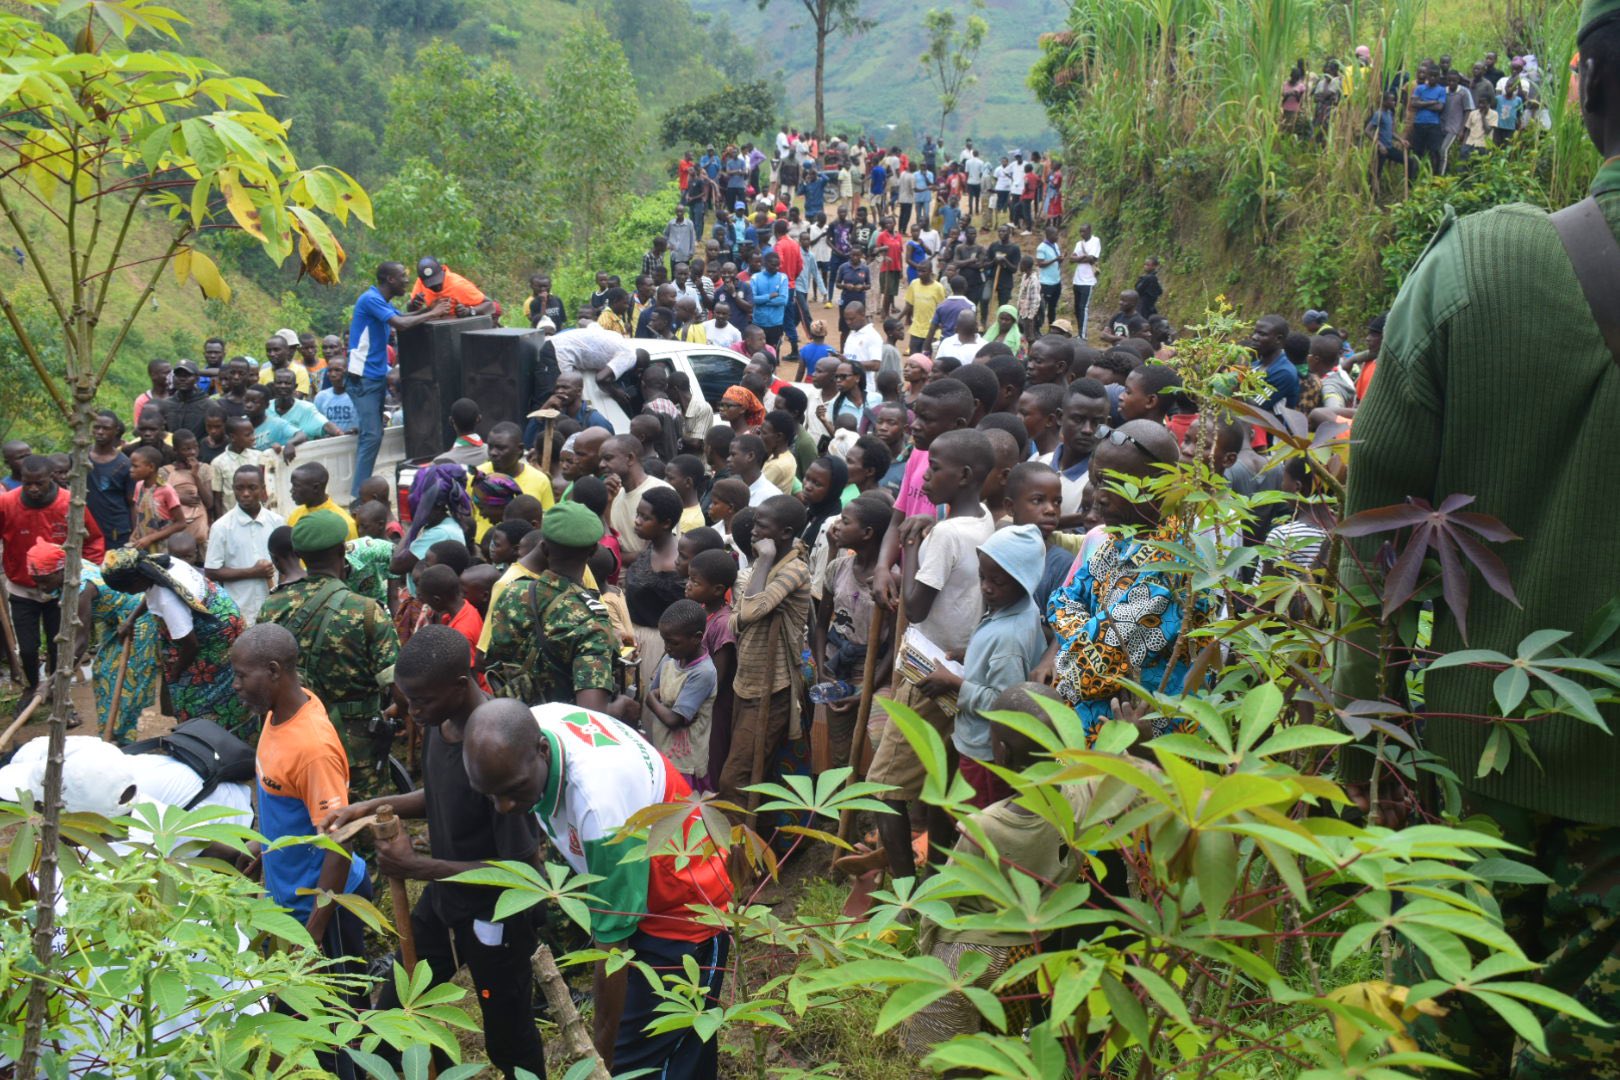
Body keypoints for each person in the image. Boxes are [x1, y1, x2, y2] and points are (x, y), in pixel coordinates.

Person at [1333, 8, 1620, 1067]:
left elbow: (1377, 520)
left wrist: (1366, 716)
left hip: (1468, 778)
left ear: (1581, 81)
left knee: (1438, 1048)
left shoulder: (1480, 259)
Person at [463, 697, 732, 1077]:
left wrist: (600, 1061)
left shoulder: (600, 805)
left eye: (512, 790)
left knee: (640, 1058)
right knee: (680, 1045)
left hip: (684, 903)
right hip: (639, 884)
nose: (504, 807)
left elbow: (612, 950)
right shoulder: (527, 730)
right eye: (491, 795)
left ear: (542, 751)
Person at [322, 626, 547, 1080]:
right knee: (398, 1006)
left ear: (459, 686)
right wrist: (369, 806)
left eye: (421, 701)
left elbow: (523, 875)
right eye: (408, 700)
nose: (413, 711)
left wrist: (418, 867)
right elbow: (443, 794)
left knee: (508, 1036)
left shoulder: (495, 753)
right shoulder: (441, 723)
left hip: (494, 922)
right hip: (444, 905)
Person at [866, 429, 997, 880]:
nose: (924, 475)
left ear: (963, 475)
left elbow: (915, 606)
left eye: (935, 467)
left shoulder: (943, 536)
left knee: (882, 788)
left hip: (931, 669)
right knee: (938, 782)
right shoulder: (983, 518)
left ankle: (905, 894)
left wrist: (909, 548)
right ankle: (937, 875)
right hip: (960, 664)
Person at [1038, 419, 1205, 742]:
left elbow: (1087, 671)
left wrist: (1079, 636)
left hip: (1141, 750)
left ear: (1157, 487)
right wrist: (1088, 633)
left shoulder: (1169, 565)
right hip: (1096, 736)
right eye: (1096, 481)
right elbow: (1059, 600)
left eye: (1112, 484)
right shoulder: (1118, 540)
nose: (1098, 497)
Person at [233, 623, 371, 999]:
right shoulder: (279, 711)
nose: (235, 685)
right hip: (291, 894)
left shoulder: (313, 749)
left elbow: (340, 845)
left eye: (242, 675)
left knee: (342, 1017)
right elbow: (284, 798)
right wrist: (266, 848)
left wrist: (314, 930)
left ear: (275, 671)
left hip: (327, 905)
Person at [258, 509, 400, 796]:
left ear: (298, 553)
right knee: (365, 821)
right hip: (358, 745)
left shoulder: (271, 608)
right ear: (341, 550)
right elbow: (399, 688)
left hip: (296, 738)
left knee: (308, 818)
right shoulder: (367, 611)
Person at [716, 494, 811, 816]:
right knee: (750, 773)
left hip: (773, 687)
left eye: (761, 525)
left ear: (784, 533)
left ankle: (739, 859)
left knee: (736, 779)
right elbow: (737, 619)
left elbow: (752, 608)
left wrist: (766, 561)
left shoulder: (794, 569)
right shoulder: (762, 566)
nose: (752, 531)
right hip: (747, 681)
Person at [481, 501, 622, 712]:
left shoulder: (512, 592)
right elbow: (591, 717)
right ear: (593, 551)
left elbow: (491, 660)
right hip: (557, 738)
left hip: (509, 722)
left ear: (544, 548)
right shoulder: (592, 623)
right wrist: (621, 709)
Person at [101, 545, 247, 734]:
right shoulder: (153, 564)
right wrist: (131, 620)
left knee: (198, 693)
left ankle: (208, 735)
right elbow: (150, 592)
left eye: (126, 589)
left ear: (136, 578)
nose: (127, 594)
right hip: (214, 616)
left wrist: (176, 672)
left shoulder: (167, 599)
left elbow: (191, 645)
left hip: (215, 634)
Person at [1, 455, 107, 712]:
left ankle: (58, 694)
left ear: (52, 478)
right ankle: (31, 686)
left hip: (62, 588)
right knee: (26, 648)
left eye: (39, 483)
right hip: (22, 587)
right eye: (28, 484)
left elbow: (93, 540)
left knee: (58, 644)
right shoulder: (6, 503)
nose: (34, 489)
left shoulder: (70, 504)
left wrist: (84, 573)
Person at [26, 540, 158, 742]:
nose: (40, 586)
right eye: (36, 580)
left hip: (137, 614)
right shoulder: (64, 561)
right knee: (103, 673)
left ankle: (124, 738)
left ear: (60, 571)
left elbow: (80, 644)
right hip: (112, 617)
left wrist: (50, 682)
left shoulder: (81, 588)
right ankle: (109, 732)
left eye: (44, 579)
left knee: (131, 676)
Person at [348, 262, 457, 500]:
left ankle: (363, 491)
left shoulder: (381, 302)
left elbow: (403, 316)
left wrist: (429, 309)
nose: (407, 280)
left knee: (372, 436)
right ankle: (358, 497)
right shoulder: (370, 299)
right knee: (372, 436)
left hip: (375, 377)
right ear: (389, 279)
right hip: (364, 378)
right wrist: (432, 313)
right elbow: (401, 324)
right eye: (402, 276)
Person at [809, 493, 893, 771]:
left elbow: (895, 644)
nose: (837, 526)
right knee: (840, 752)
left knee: (877, 749)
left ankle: (868, 813)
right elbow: (821, 625)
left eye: (845, 521)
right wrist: (822, 668)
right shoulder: (837, 569)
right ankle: (838, 811)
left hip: (874, 674)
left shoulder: (891, 579)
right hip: (837, 671)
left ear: (867, 533)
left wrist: (866, 691)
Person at [204, 465, 284, 626]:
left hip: (273, 609)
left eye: (252, 488)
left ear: (262, 489)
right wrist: (253, 572)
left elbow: (285, 564)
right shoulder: (222, 527)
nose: (245, 494)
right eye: (240, 488)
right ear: (233, 489)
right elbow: (211, 571)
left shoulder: (276, 522)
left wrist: (281, 597)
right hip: (239, 611)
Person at [87, 410, 135, 548]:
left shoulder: (125, 464)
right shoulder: (79, 458)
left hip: (116, 530)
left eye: (106, 428)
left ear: (115, 431)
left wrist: (134, 532)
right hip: (85, 528)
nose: (100, 432)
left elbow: (132, 502)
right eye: (96, 427)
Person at [286, 462, 358, 541]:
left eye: (296, 486)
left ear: (316, 487)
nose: (291, 490)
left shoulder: (345, 523)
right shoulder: (295, 516)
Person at [901, 263, 947, 354]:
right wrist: (897, 319)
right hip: (916, 329)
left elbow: (942, 308)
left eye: (923, 271)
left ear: (930, 271)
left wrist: (941, 324)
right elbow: (909, 304)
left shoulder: (938, 287)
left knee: (926, 358)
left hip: (932, 330)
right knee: (914, 357)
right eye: (918, 271)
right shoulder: (914, 284)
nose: (920, 273)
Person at [1068, 223, 1102, 337]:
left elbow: (1092, 258)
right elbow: (1071, 259)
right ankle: (1079, 333)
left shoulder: (1095, 241)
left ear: (1090, 230)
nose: (1082, 234)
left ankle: (1083, 335)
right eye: (1080, 232)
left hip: (1088, 280)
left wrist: (1078, 258)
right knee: (1077, 308)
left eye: (1084, 231)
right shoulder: (1079, 243)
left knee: (1083, 307)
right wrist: (1081, 258)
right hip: (1077, 279)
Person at [312, 362, 358, 434]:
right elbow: (316, 424)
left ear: (348, 372)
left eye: (338, 370)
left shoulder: (359, 395)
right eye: (329, 371)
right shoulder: (321, 397)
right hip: (330, 442)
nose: (333, 374)